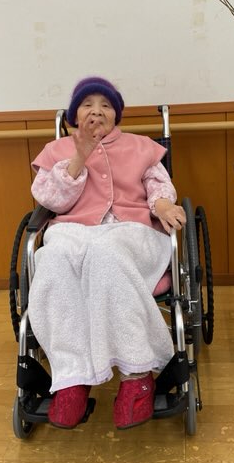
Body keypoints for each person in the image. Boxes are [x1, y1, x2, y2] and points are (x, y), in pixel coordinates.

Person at [28, 76, 186, 430]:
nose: (97, 111)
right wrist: (78, 157)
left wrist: (162, 205)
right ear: (74, 115)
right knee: (50, 259)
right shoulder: (56, 151)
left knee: (104, 252)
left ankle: (137, 374)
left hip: (133, 232)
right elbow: (52, 201)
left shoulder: (141, 146)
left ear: (117, 114)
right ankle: (72, 378)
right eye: (87, 104)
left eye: (106, 105)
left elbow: (158, 185)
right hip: (72, 232)